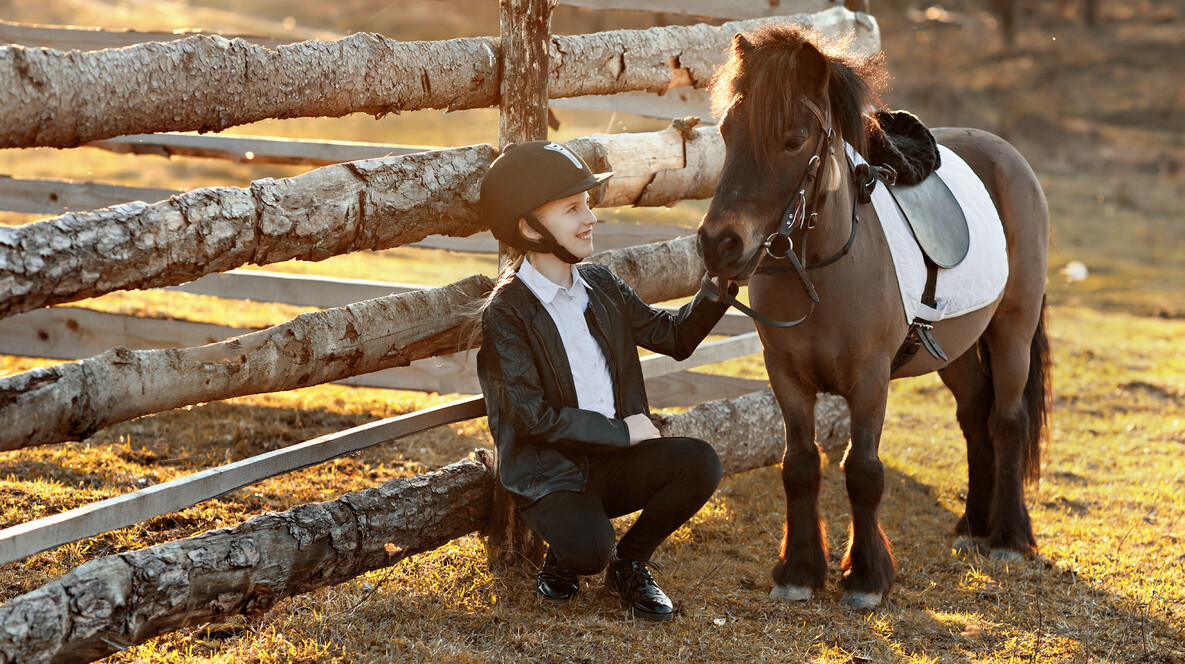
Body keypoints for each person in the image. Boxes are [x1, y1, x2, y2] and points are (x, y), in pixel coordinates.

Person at [475, 140, 733, 622]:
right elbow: (531, 418)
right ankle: (575, 552)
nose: (590, 217)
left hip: (613, 462)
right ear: (529, 228)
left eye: (588, 204)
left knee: (700, 463)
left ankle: (632, 563)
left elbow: (674, 337)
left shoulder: (603, 284)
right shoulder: (506, 314)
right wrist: (623, 431)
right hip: (550, 474)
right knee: (590, 549)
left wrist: (718, 286)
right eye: (573, 208)